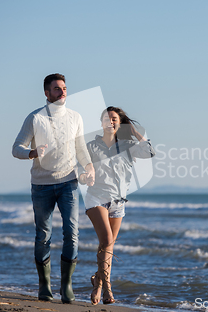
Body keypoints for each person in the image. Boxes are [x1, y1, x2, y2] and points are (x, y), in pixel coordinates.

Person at [12, 73, 95, 303]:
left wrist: (89, 168)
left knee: (72, 234)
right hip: (41, 185)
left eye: (65, 88)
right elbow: (16, 148)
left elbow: (81, 148)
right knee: (43, 236)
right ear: (47, 93)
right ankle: (44, 285)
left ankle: (66, 286)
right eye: (57, 89)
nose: (63, 92)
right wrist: (31, 153)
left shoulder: (75, 117)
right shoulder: (35, 118)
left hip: (69, 182)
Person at [79, 106, 155, 305]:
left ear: (119, 123)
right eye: (107, 118)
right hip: (96, 198)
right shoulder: (91, 146)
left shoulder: (129, 146)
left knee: (108, 246)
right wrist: (85, 176)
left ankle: (98, 281)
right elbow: (79, 169)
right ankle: (105, 288)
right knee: (107, 239)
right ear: (101, 122)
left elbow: (150, 152)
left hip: (119, 202)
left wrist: (134, 132)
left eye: (114, 119)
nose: (110, 121)